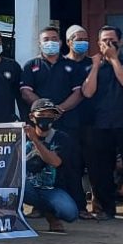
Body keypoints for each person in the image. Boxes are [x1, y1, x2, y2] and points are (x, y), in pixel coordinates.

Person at [20, 26, 88, 215]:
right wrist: (44, 110)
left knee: (72, 164)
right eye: (46, 39)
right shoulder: (31, 65)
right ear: (40, 43)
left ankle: (79, 205)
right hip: (40, 125)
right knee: (37, 163)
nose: (50, 42)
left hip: (67, 123)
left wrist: (59, 109)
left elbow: (78, 93)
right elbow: (25, 92)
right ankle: (39, 207)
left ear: (60, 42)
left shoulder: (71, 66)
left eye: (54, 39)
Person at [82, 25, 123, 220]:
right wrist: (96, 66)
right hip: (100, 124)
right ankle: (106, 209)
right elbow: (87, 92)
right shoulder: (92, 64)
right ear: (98, 43)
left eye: (112, 40)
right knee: (102, 170)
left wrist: (114, 59)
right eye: (104, 40)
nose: (108, 44)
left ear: (121, 41)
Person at [23, 99, 80, 232]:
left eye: (50, 115)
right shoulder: (21, 135)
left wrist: (35, 140)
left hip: (52, 189)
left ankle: (50, 214)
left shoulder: (62, 138)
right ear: (32, 116)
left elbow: (55, 162)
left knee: (70, 213)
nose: (46, 118)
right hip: (27, 186)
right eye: (42, 115)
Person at [63, 25, 96, 212]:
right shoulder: (61, 64)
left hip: (93, 122)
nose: (82, 42)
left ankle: (99, 205)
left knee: (95, 165)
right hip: (69, 123)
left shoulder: (94, 63)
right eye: (78, 39)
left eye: (85, 39)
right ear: (69, 42)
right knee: (73, 166)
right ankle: (78, 206)